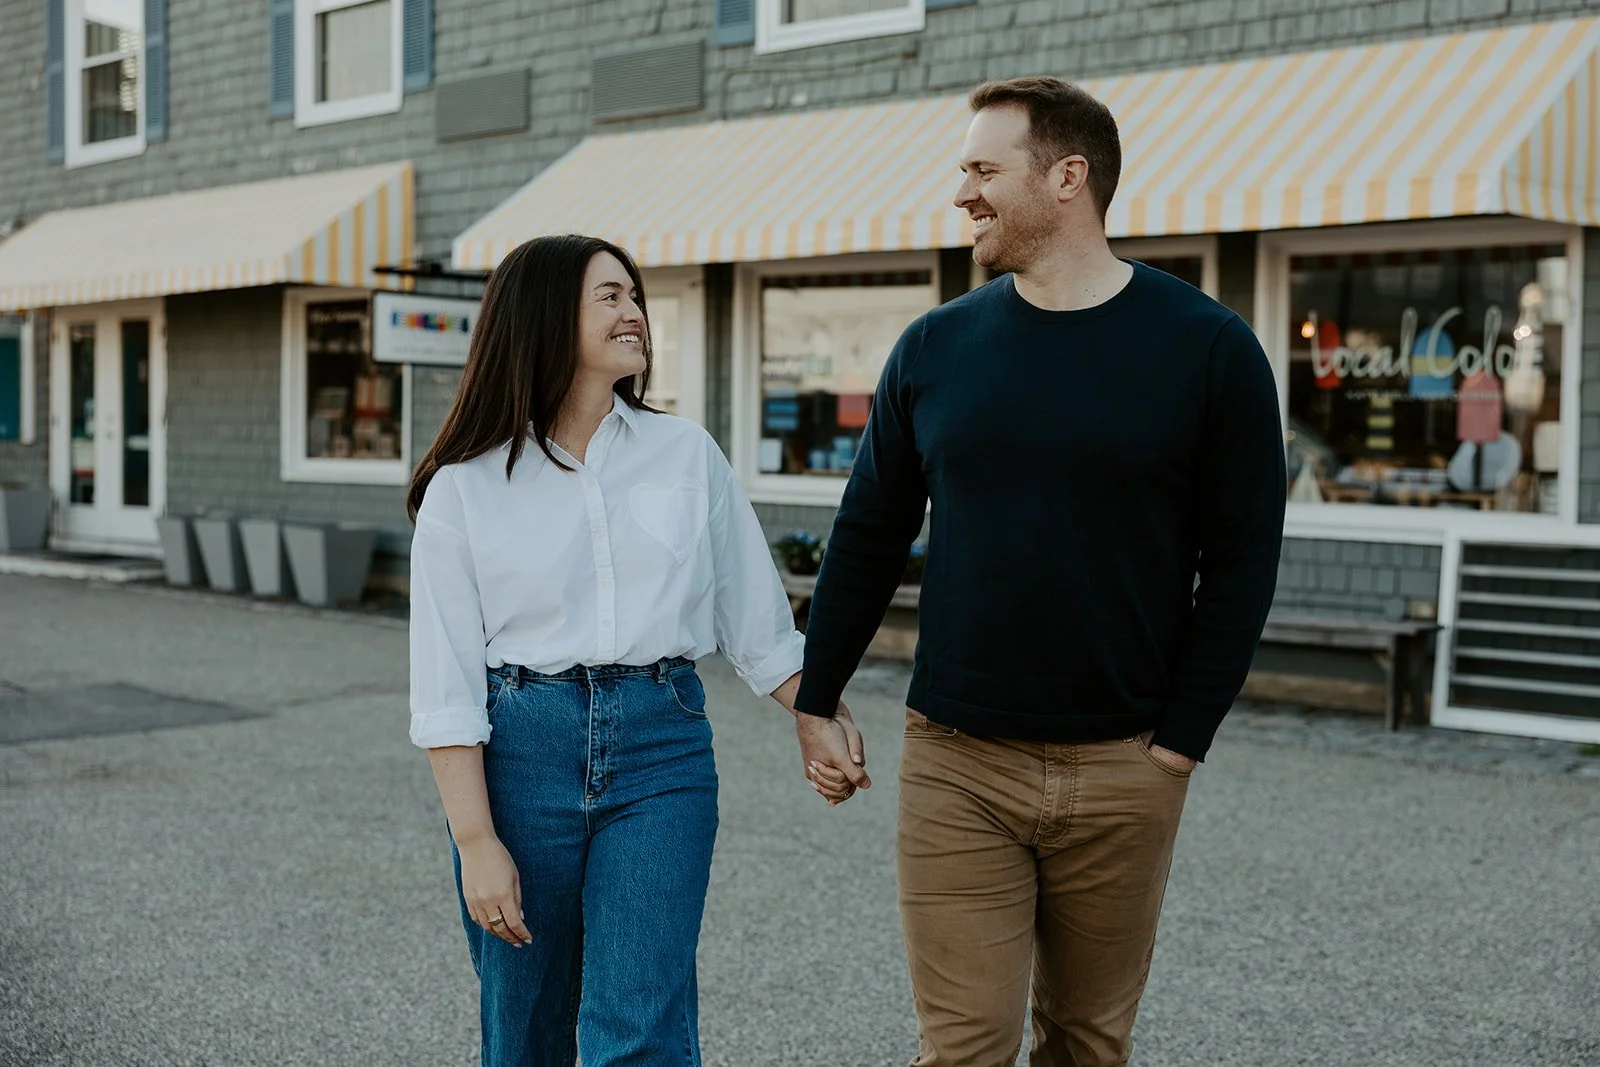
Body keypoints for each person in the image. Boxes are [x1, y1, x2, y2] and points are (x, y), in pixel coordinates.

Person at [791, 77, 1288, 1066]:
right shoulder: (935, 348)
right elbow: (870, 530)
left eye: (983, 169)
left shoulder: (1209, 349)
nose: (962, 192)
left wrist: (1178, 744)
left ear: (1068, 178)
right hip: (957, 761)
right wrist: (817, 692)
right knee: (964, 1048)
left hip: (1125, 762)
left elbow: (1242, 560)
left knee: (1087, 1042)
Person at [405, 234, 868, 1067]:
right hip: (521, 753)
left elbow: (758, 624)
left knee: (642, 1026)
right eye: (609, 296)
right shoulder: (464, 486)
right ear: (545, 317)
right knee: (525, 1025)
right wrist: (475, 840)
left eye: (634, 296)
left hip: (662, 746)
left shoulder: (685, 454)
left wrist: (819, 712)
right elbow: (446, 685)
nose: (634, 313)